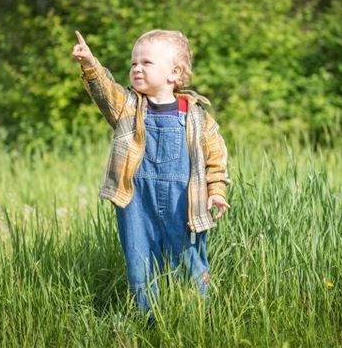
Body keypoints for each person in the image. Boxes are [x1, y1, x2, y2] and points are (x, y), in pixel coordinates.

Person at [71, 29, 230, 316]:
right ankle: (149, 320)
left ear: (174, 73)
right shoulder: (128, 107)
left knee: (188, 258)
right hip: (136, 201)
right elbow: (105, 92)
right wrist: (90, 64)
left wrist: (216, 192)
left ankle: (196, 316)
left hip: (184, 201)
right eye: (133, 63)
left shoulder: (197, 117)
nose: (136, 69)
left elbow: (216, 160)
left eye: (146, 63)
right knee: (139, 260)